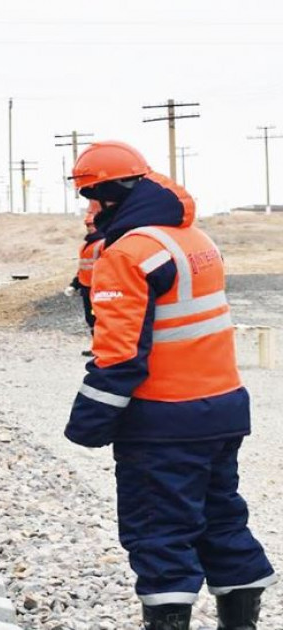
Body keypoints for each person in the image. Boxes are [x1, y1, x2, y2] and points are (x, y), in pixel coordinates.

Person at [66, 141, 275, 630]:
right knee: (222, 519)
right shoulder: (193, 239)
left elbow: (119, 356)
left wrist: (87, 424)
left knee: (158, 532)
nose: (87, 213)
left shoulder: (128, 254)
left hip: (163, 420)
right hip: (222, 409)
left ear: (112, 195)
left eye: (91, 200)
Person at [64, 201, 105, 354]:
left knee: (100, 318)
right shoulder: (84, 246)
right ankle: (96, 347)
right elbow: (82, 269)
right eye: (87, 226)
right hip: (87, 287)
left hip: (99, 288)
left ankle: (103, 348)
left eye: (92, 225)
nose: (89, 228)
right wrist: (74, 285)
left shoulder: (103, 244)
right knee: (91, 318)